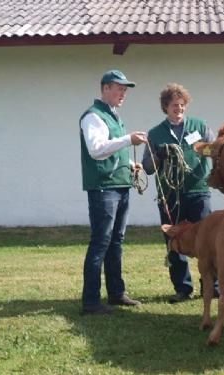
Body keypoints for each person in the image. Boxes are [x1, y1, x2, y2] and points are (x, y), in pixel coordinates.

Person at [142, 83, 219, 304]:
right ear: (165, 107)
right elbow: (147, 167)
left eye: (182, 105)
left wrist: (200, 149)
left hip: (198, 190)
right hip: (170, 195)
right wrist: (159, 155)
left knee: (207, 240)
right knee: (174, 240)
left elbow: (214, 150)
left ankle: (212, 286)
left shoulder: (200, 126)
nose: (179, 109)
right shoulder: (155, 134)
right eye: (174, 105)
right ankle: (182, 288)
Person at [79, 69, 147, 315]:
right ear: (105, 88)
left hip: (119, 185)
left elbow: (112, 150)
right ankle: (91, 302)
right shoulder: (93, 116)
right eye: (119, 88)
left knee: (115, 241)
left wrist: (129, 163)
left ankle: (116, 293)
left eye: (125, 90)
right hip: (103, 188)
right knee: (101, 242)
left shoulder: (113, 117)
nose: (123, 94)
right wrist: (128, 140)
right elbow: (96, 149)